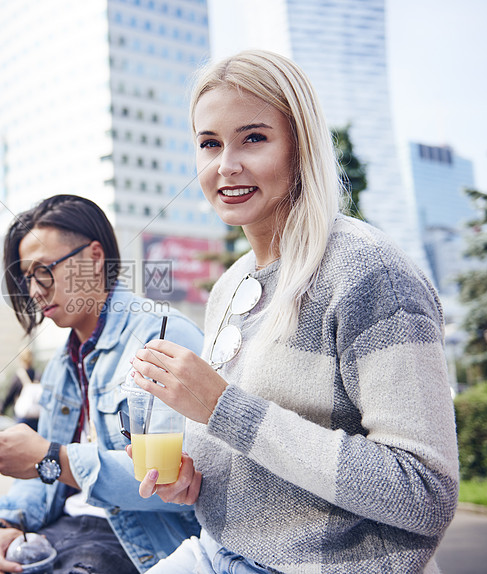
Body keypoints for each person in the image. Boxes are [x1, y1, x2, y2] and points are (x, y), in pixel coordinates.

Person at [128, 50, 459, 573]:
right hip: (219, 553)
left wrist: (221, 407)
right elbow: (260, 450)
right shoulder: (231, 285)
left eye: (253, 138)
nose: (226, 165)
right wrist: (195, 479)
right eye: (209, 144)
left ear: (299, 146)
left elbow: (423, 493)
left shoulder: (370, 272)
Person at [0, 194, 204, 574]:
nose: (34, 291)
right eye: (26, 277)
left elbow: (181, 481)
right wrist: (0, 524)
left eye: (43, 270)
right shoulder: (63, 362)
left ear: (94, 258)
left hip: (138, 541)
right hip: (61, 527)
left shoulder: (162, 335)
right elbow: (41, 477)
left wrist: (51, 457)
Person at [0, 348, 40, 431]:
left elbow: (9, 396)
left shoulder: (18, 376)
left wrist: (1, 410)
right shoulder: (38, 375)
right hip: (37, 419)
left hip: (22, 419)